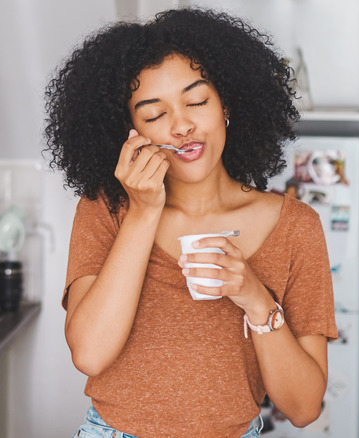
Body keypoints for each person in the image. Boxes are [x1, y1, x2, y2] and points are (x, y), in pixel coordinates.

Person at [44, 8, 337, 438]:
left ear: (227, 105)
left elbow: (304, 407)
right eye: (153, 114)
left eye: (196, 101)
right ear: (130, 132)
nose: (181, 126)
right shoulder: (107, 208)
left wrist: (255, 298)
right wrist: (143, 212)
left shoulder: (296, 227)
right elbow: (89, 353)